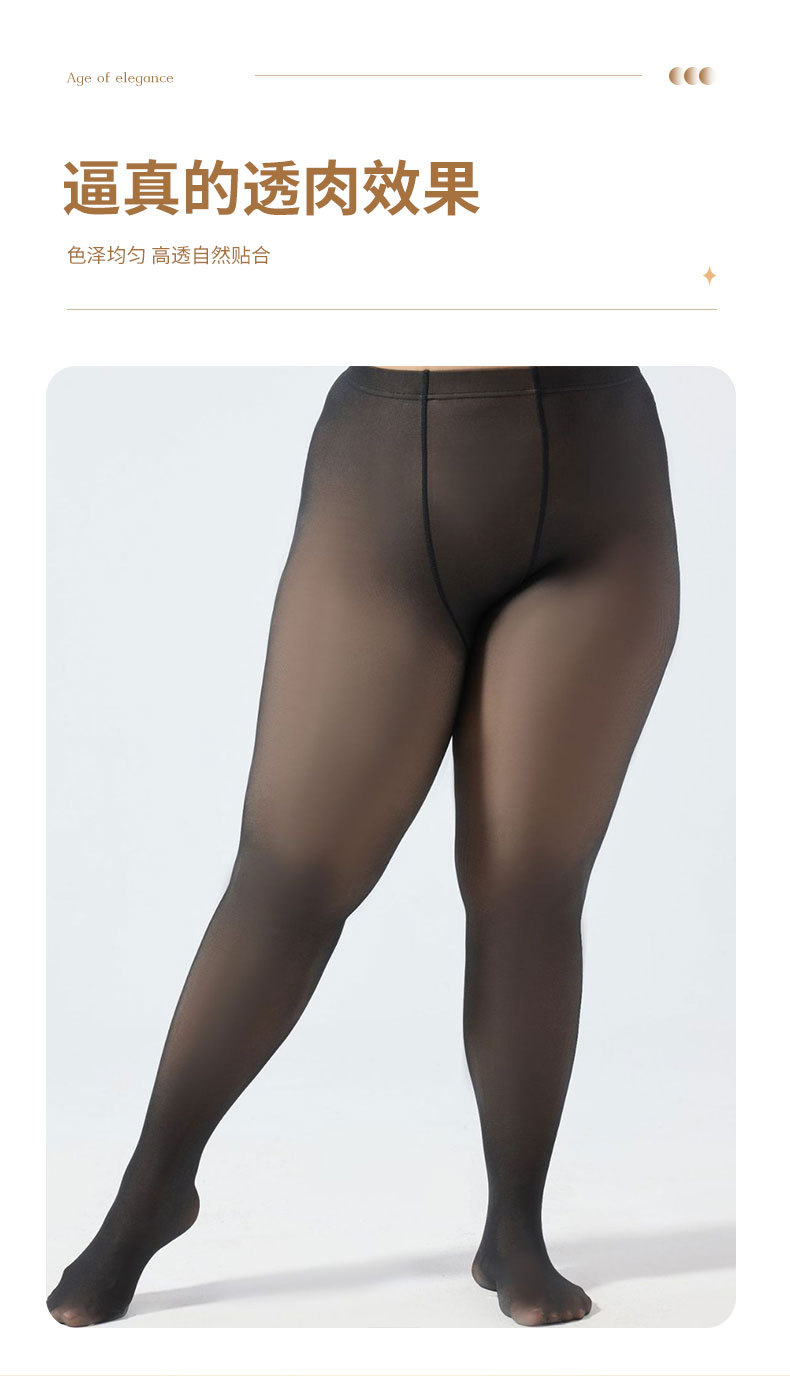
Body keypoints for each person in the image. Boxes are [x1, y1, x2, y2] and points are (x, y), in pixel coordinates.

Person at [48, 365, 680, 1327]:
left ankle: (515, 1226)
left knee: (530, 883)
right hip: (387, 479)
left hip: (606, 486)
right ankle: (154, 1189)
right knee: (290, 876)